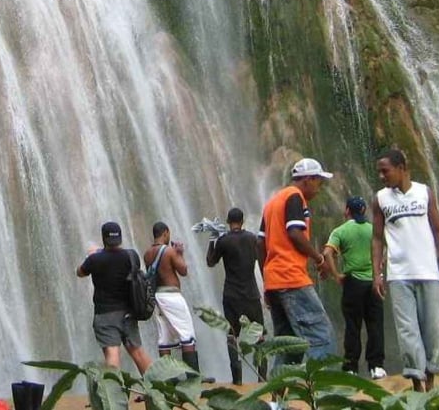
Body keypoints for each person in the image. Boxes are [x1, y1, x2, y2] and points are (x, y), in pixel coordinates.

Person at [371, 148, 439, 393]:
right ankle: (417, 383)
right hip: (398, 275)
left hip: (428, 271)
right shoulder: (380, 199)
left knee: (433, 329)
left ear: (401, 168)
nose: (382, 176)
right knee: (407, 330)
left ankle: (431, 380)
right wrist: (377, 273)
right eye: (379, 172)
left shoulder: (424, 192)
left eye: (385, 171)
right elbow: (377, 238)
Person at [259, 158, 338, 365]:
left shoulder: (271, 203)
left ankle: (278, 396)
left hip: (275, 282)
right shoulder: (295, 197)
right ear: (308, 180)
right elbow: (294, 233)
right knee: (321, 336)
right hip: (291, 279)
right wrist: (319, 258)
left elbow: (260, 244)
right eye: (318, 182)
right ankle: (322, 392)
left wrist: (267, 283)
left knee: (288, 345)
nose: (319, 188)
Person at [78, 221, 154, 372]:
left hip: (106, 314)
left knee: (112, 353)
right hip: (128, 313)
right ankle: (157, 390)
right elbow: (119, 259)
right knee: (138, 351)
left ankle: (116, 393)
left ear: (104, 238)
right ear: (120, 238)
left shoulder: (94, 260)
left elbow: (80, 272)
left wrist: (93, 254)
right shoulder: (131, 256)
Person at [324, 197, 384, 379]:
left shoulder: (340, 231)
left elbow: (327, 253)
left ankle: (351, 367)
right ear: (364, 211)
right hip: (373, 282)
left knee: (353, 325)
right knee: (375, 325)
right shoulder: (373, 229)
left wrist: (337, 276)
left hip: (353, 283)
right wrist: (379, 273)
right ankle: (376, 367)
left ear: (347, 211)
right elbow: (384, 251)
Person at [207, 207, 264, 385]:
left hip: (231, 295)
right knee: (259, 335)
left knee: (232, 335)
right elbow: (261, 262)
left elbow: (210, 261)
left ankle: (237, 380)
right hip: (252, 294)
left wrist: (212, 239)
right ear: (243, 221)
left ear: (228, 222)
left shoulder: (223, 241)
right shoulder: (253, 239)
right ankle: (262, 379)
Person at [143, 223, 200, 373]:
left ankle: (168, 379)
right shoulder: (169, 251)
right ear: (166, 233)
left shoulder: (147, 253)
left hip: (158, 297)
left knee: (164, 337)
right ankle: (193, 377)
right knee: (187, 334)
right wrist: (180, 253)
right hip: (172, 296)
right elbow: (183, 270)